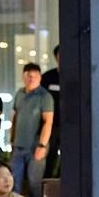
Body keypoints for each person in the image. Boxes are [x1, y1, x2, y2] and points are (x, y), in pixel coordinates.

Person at [9, 62, 54, 197]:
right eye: (28, 75)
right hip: (18, 146)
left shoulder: (45, 96)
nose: (31, 79)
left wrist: (42, 145)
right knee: (14, 181)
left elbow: (48, 122)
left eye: (34, 76)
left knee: (34, 183)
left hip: (36, 146)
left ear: (40, 77)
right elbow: (15, 117)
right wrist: (12, 138)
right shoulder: (19, 94)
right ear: (23, 76)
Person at [40, 45, 62, 178]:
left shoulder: (75, 75)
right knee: (50, 155)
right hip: (51, 125)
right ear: (56, 57)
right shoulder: (48, 77)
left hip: (69, 124)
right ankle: (47, 184)